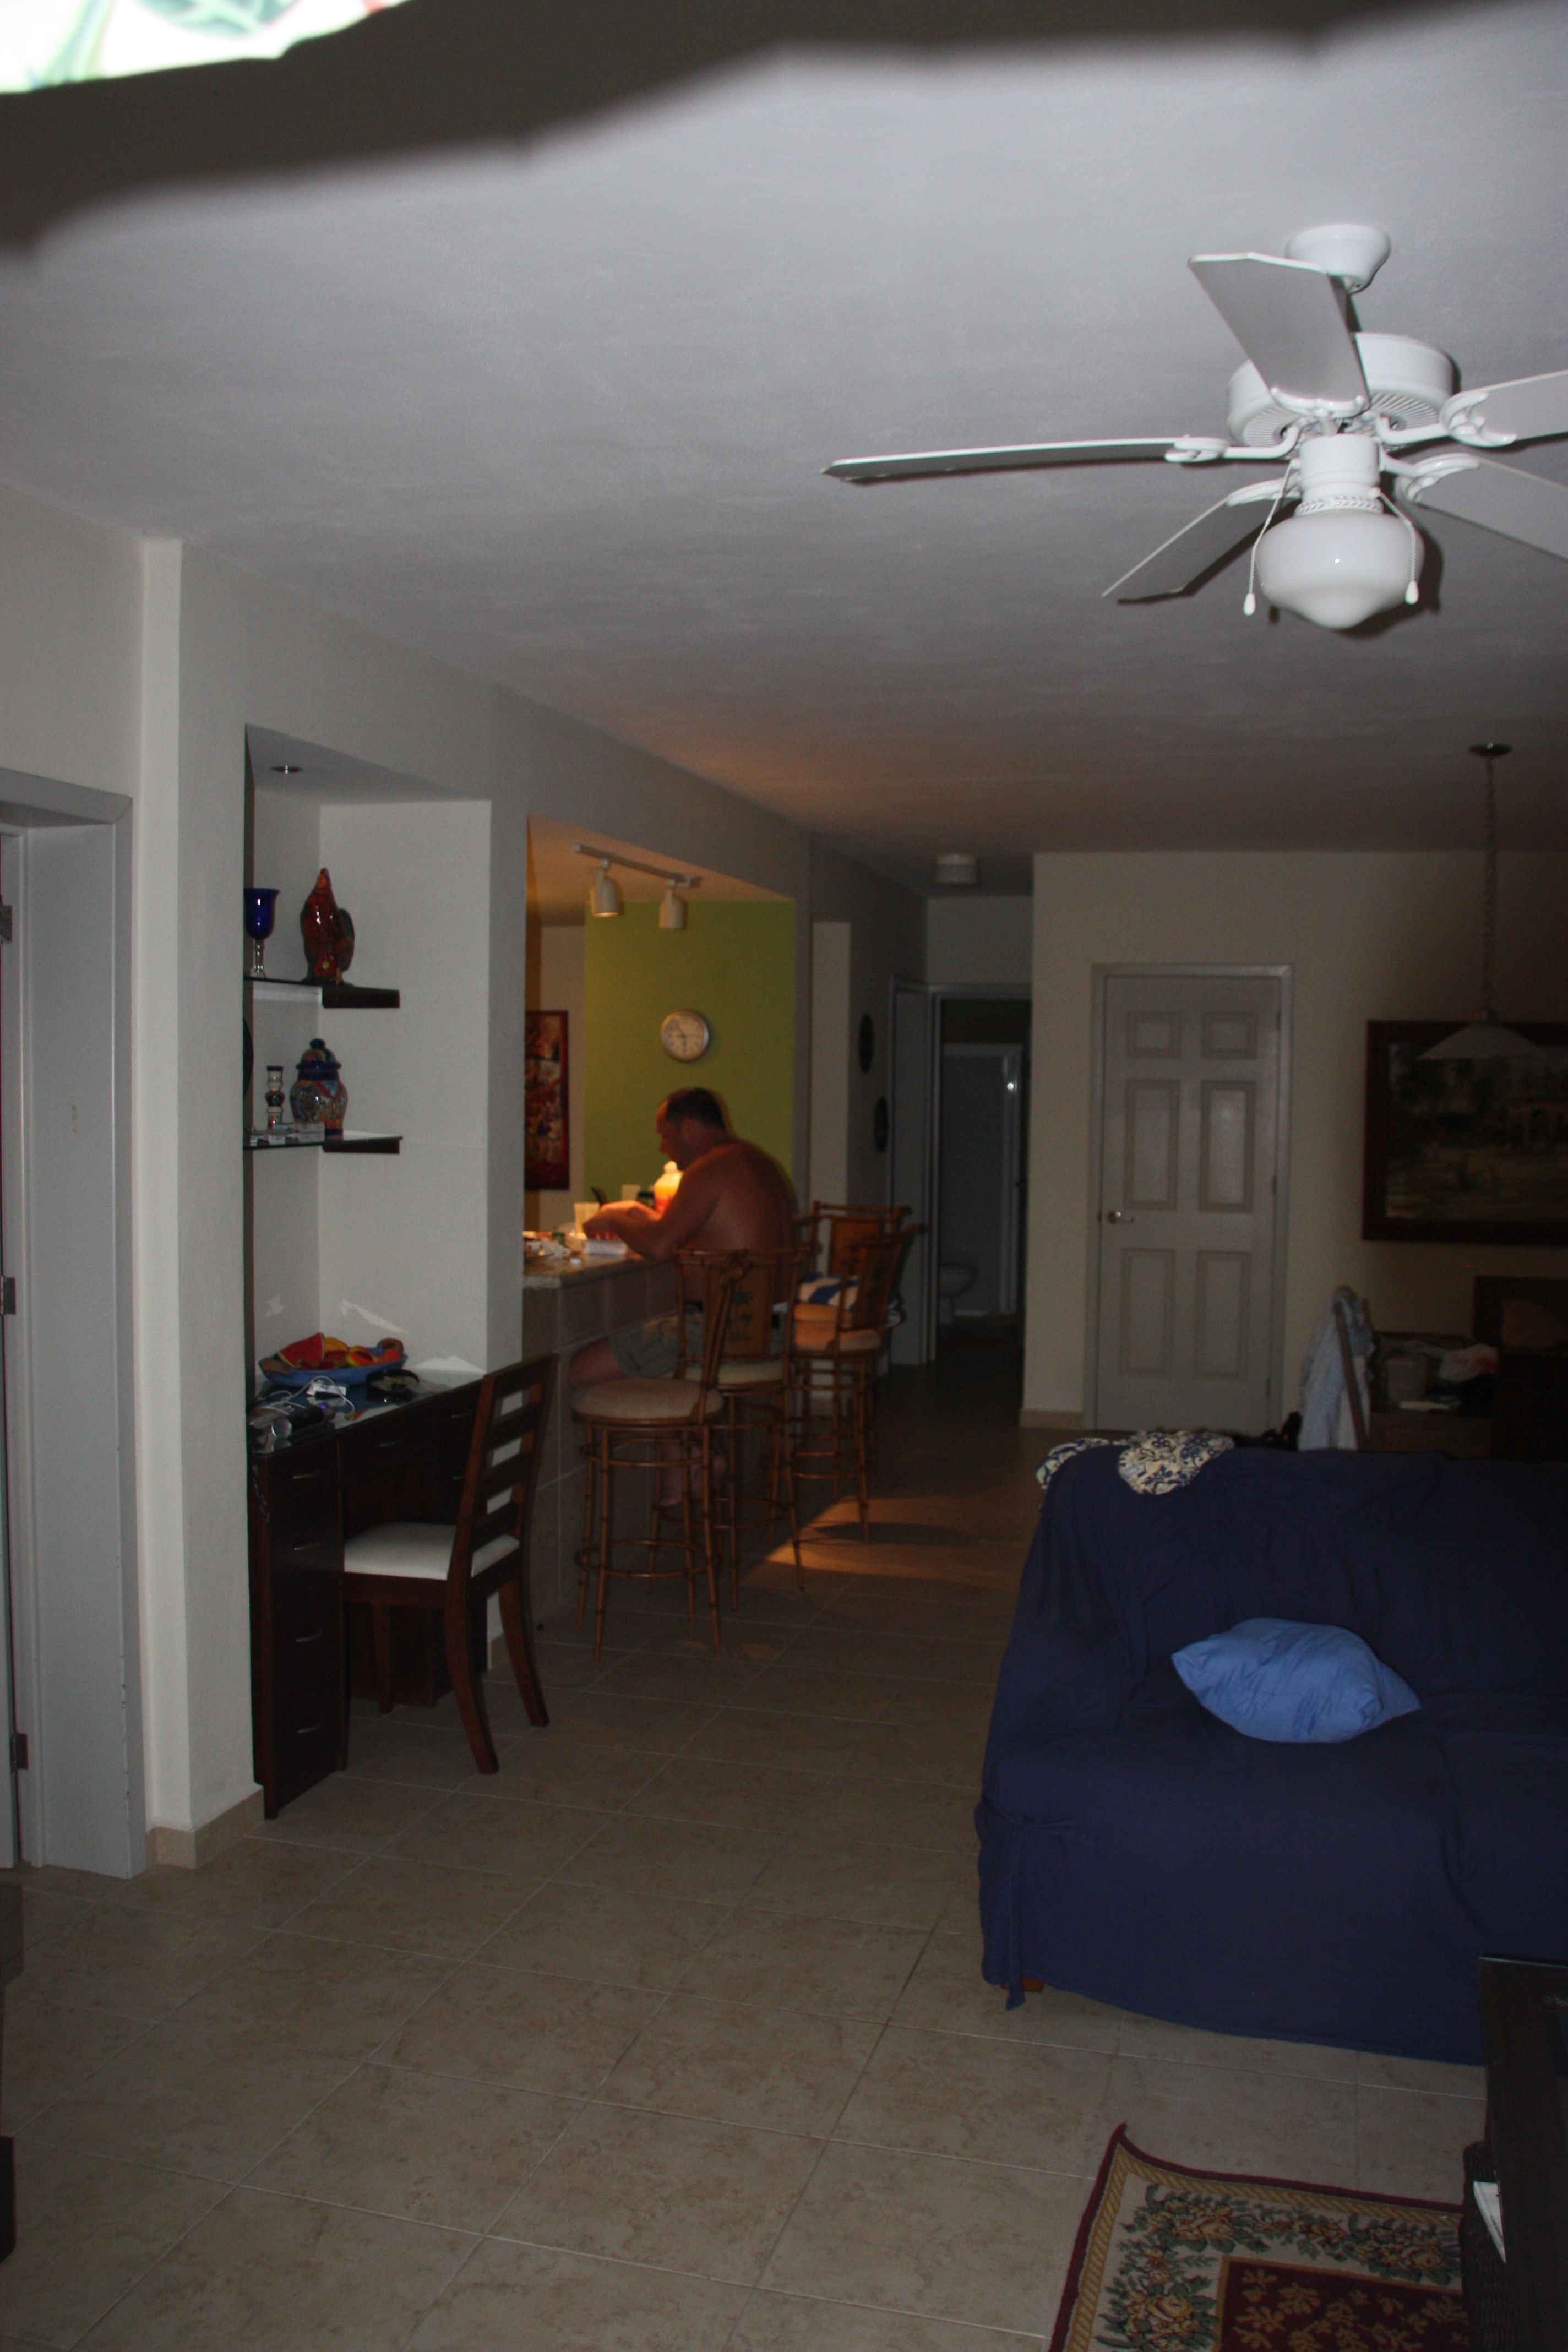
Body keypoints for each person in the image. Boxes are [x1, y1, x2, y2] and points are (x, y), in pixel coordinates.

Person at [568, 1087, 794, 1389]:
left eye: (665, 1136)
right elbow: (707, 1234)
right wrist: (644, 1215)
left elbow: (659, 1247)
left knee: (579, 1369)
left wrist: (613, 1220)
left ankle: (664, 1418)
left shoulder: (709, 1167)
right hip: (775, 1330)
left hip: (720, 1332)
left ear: (687, 1128)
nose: (663, 1148)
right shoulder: (759, 1162)